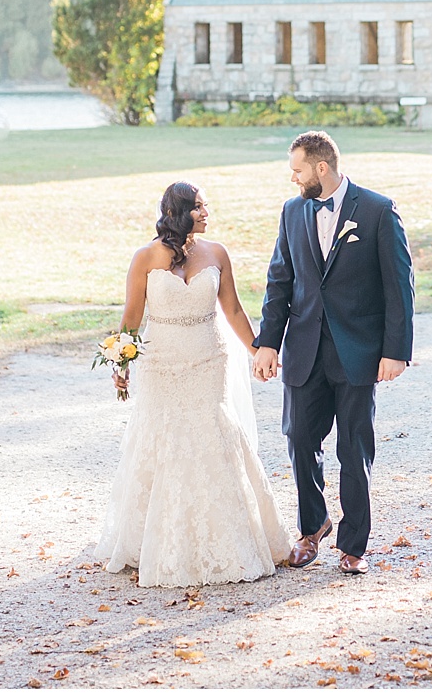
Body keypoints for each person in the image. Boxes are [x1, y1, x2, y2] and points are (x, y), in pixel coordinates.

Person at [95, 182, 290, 586]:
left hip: (207, 360)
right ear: (178, 213)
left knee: (212, 436)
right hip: (161, 363)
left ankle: (226, 538)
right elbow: (131, 318)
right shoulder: (145, 258)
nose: (206, 213)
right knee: (161, 439)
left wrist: (259, 351)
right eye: (199, 207)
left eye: (206, 206)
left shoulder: (217, 253)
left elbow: (233, 309)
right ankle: (155, 540)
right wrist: (121, 362)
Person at [252, 131, 415, 574]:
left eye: (297, 170)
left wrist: (395, 350)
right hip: (304, 348)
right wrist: (268, 342)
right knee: (299, 439)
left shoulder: (378, 210)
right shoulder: (292, 211)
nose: (293, 178)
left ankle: (354, 546)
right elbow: (279, 282)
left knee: (353, 448)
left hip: (358, 351)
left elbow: (399, 287)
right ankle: (313, 525)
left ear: (321, 168)